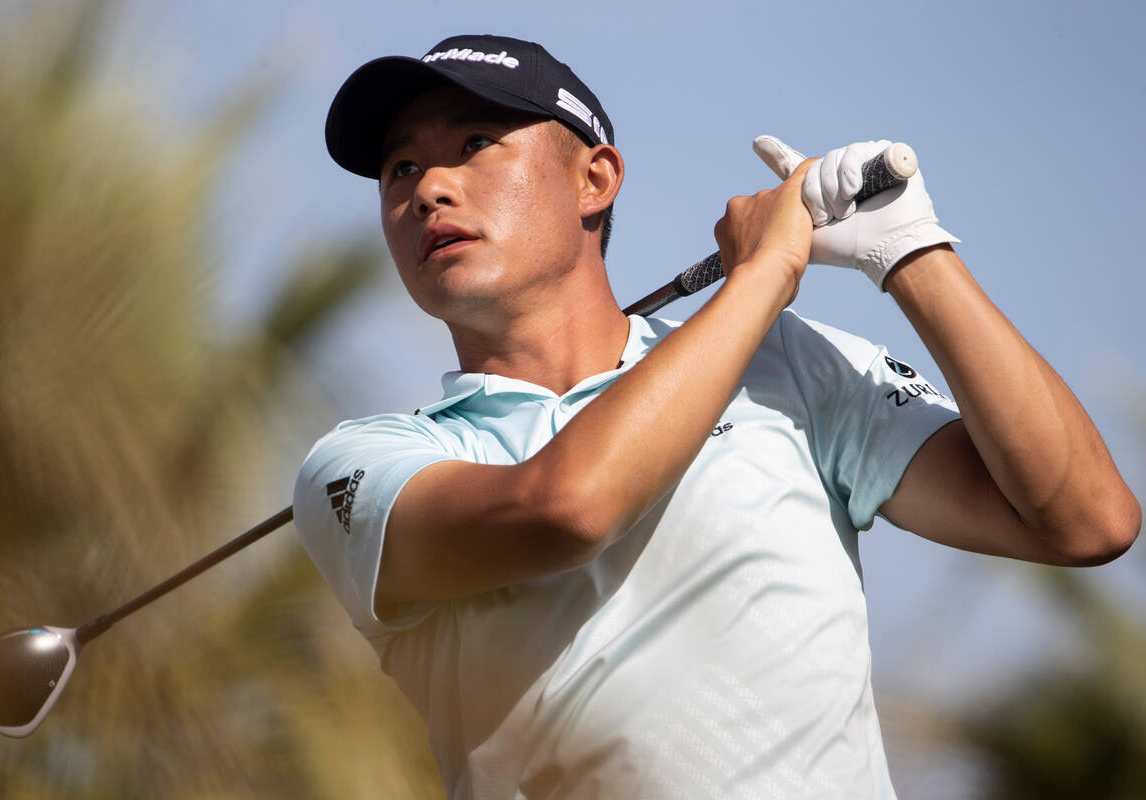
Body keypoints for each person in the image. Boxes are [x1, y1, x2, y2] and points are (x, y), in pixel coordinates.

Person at [293, 33, 1140, 799]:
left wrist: (910, 252)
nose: (430, 188)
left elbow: (1087, 521)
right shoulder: (362, 465)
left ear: (595, 179)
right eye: (400, 170)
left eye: (474, 145)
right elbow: (570, 508)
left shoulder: (785, 362)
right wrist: (764, 276)